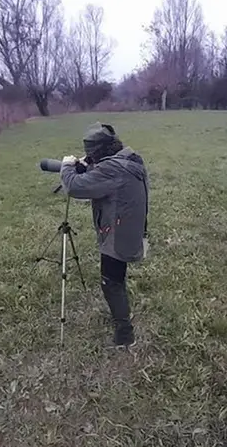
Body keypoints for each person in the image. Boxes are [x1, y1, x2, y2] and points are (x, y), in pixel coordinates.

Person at [59, 122, 149, 348]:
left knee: (110, 281)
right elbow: (104, 175)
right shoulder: (130, 159)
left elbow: (75, 187)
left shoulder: (113, 169)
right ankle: (122, 322)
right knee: (116, 277)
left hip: (118, 234)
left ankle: (125, 335)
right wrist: (88, 165)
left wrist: (67, 166)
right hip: (131, 227)